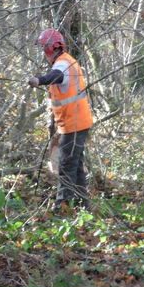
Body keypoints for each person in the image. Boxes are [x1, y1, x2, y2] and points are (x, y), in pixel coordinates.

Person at [28, 29, 93, 211]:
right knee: (76, 166)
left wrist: (38, 80)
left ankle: (61, 208)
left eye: (44, 49)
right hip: (75, 123)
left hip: (74, 124)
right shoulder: (67, 61)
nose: (43, 53)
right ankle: (83, 206)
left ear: (50, 48)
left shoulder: (63, 64)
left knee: (66, 167)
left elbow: (54, 76)